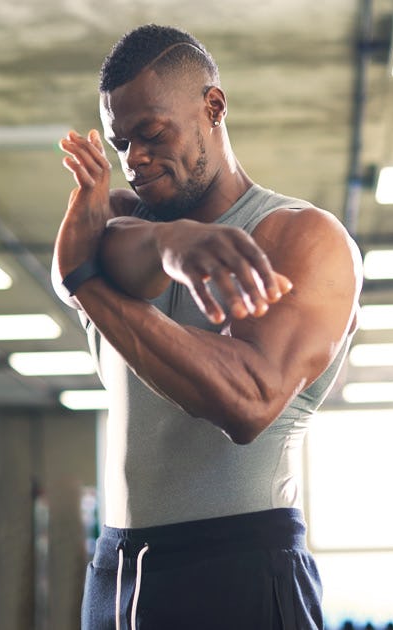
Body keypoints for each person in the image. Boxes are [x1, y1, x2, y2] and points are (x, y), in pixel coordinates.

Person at [52, 24, 362, 630]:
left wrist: (85, 280)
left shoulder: (301, 237)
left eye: (152, 134)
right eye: (121, 144)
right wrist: (171, 243)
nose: (135, 159)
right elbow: (89, 248)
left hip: (237, 559)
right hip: (115, 572)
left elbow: (248, 401)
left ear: (212, 107)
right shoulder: (121, 222)